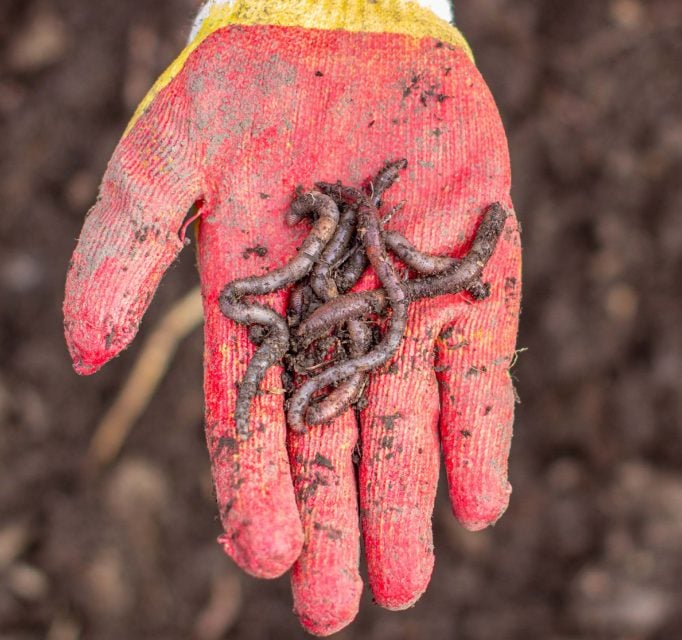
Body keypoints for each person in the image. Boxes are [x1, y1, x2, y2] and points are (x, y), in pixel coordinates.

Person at [62, 0, 521, 635]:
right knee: (359, 334)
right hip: (337, 308)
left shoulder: (350, 283)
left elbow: (366, 298)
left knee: (363, 332)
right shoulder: (336, 283)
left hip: (345, 309)